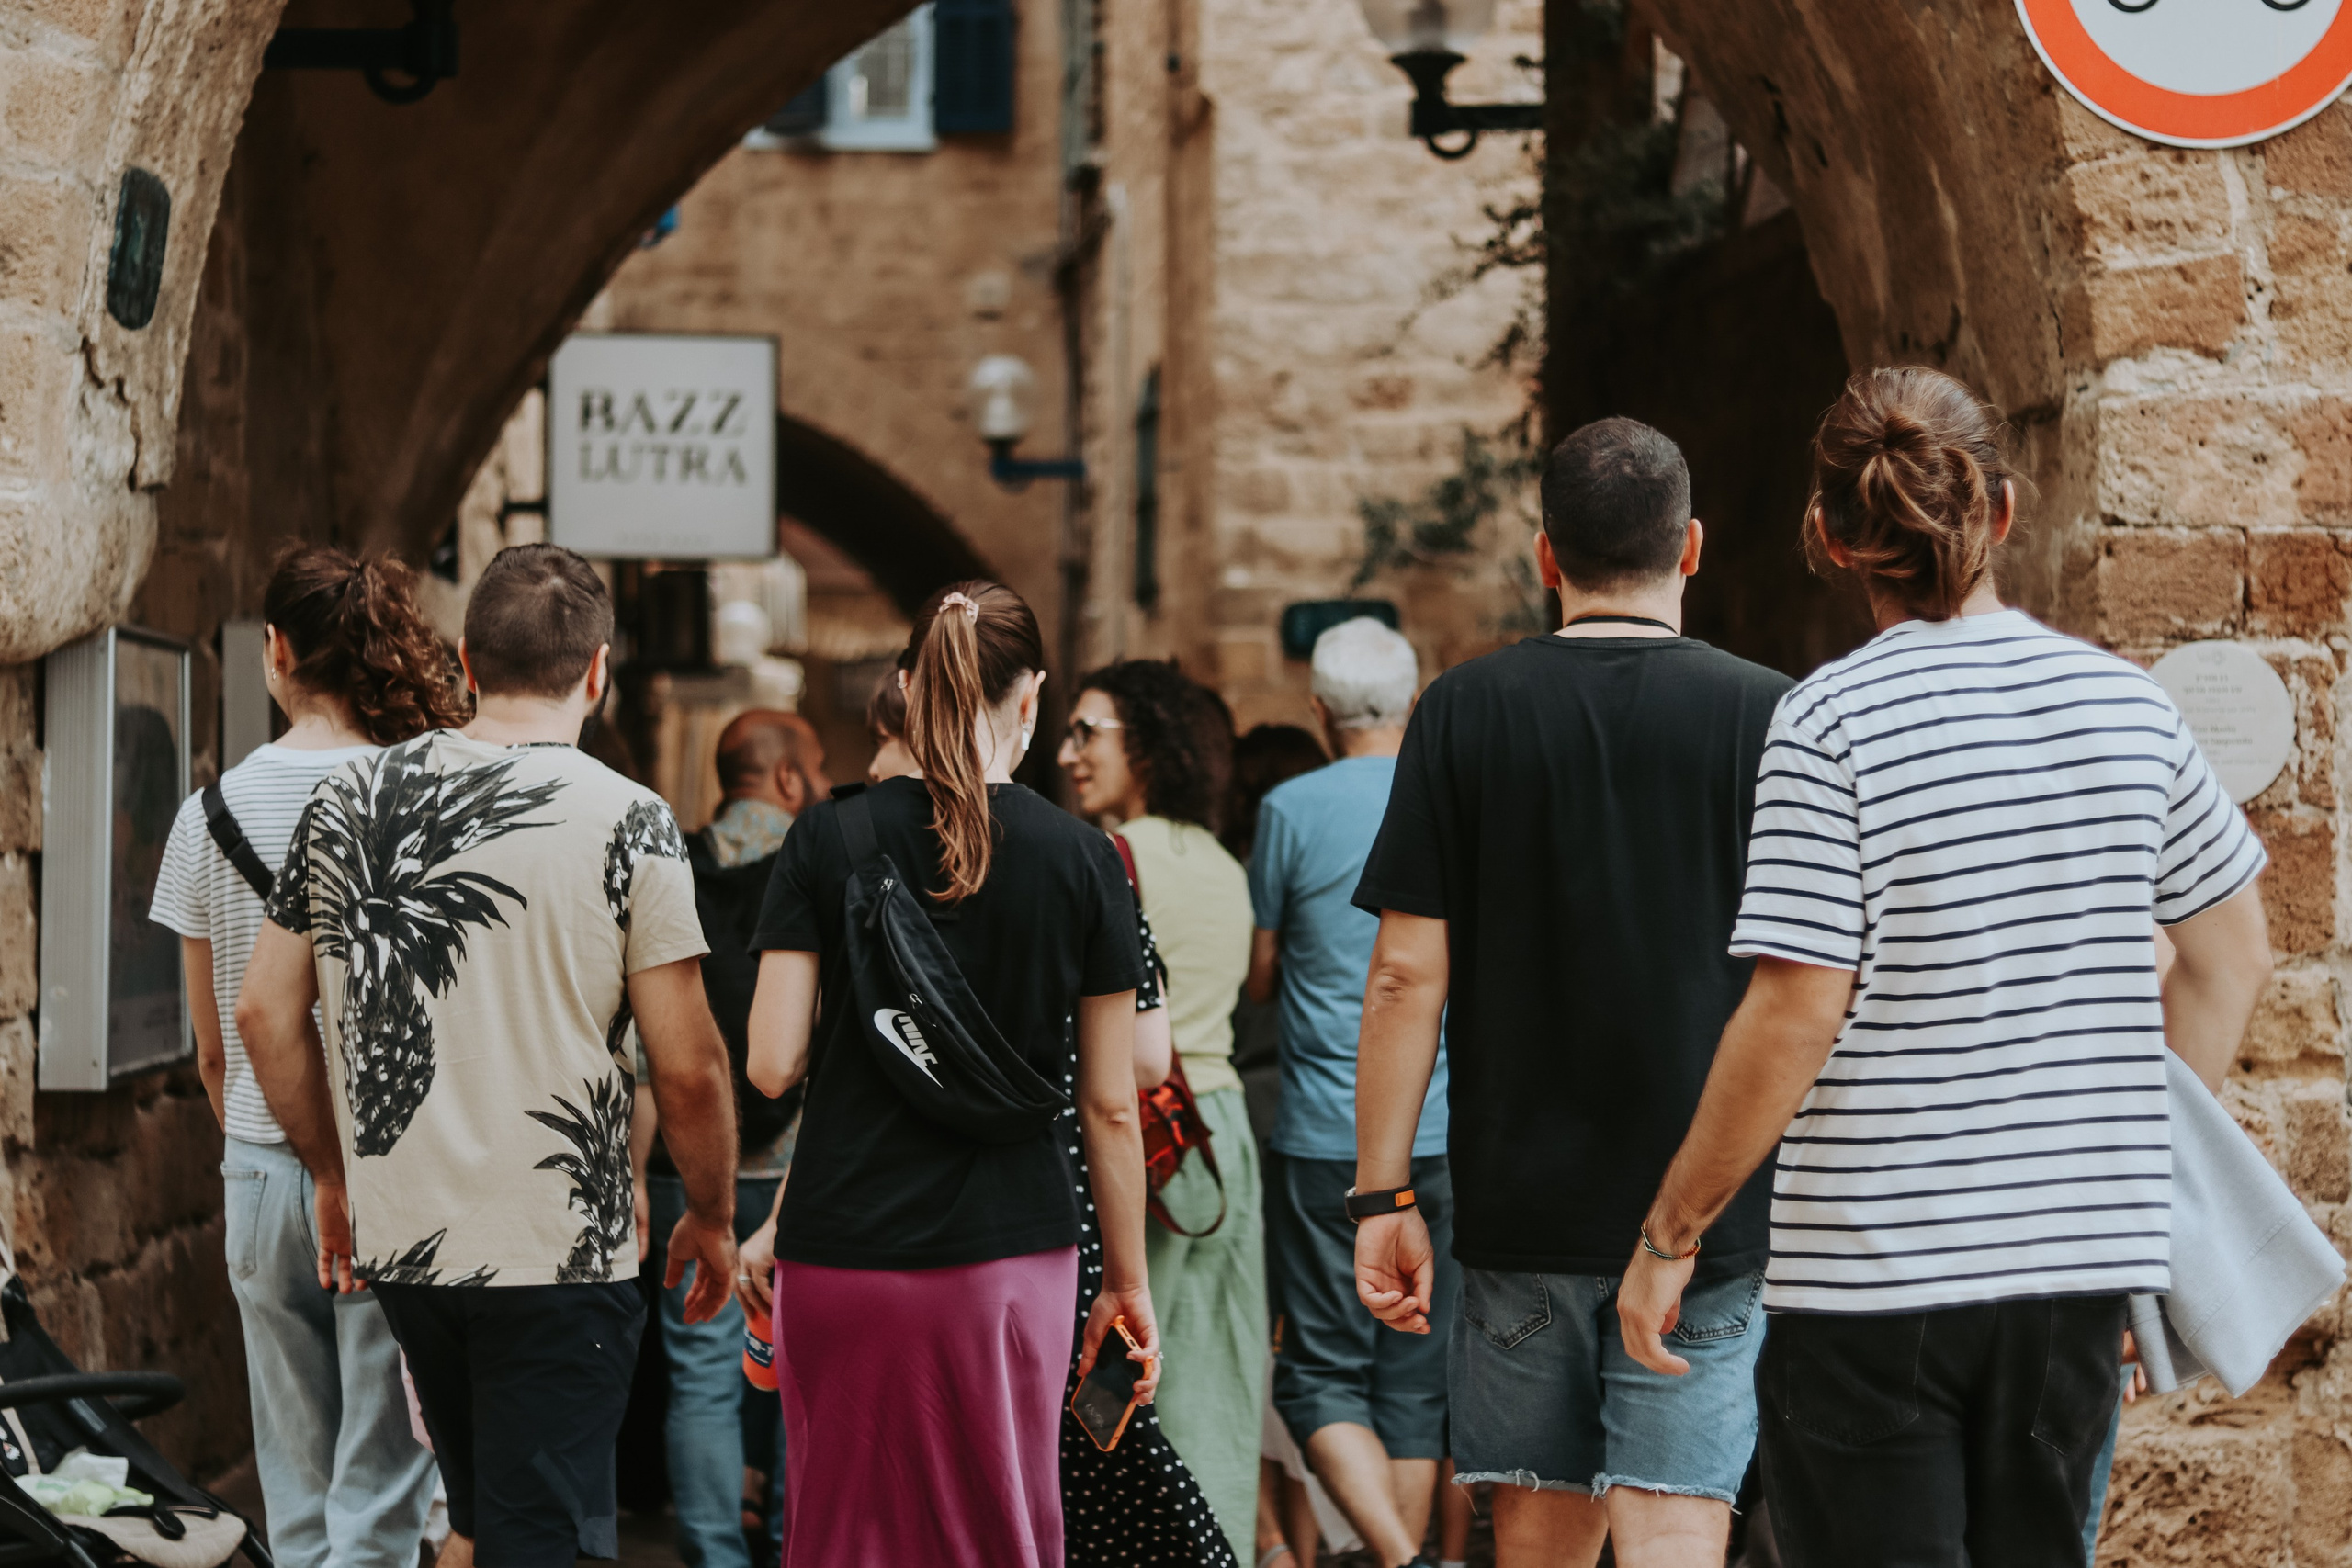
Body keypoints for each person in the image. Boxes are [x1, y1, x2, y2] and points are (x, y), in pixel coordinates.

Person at [1615, 367, 2275, 1567]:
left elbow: (1796, 1007)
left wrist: (1671, 1233)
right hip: (2075, 1269)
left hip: (1874, 1273)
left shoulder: (1830, 723)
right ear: (2005, 511)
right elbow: (2228, 960)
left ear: (1826, 535)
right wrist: (2140, 1195)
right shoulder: (2129, 709)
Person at [238, 543, 742, 1568]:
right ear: (598, 670)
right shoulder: (631, 822)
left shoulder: (347, 803)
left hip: (410, 1245)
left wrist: (333, 1173)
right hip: (557, 1250)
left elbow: (261, 1014)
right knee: (538, 1539)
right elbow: (686, 1065)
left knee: (472, 1523)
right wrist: (714, 1211)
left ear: (466, 661)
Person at [1352, 418, 1793, 1567]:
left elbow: (1404, 976)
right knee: (1676, 1528)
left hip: (1519, 1207)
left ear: (1545, 557)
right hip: (1706, 1216)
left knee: (1538, 1542)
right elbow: (1810, 983)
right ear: (1691, 547)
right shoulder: (1771, 716)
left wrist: (1380, 1196)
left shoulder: (1461, 711)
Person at [739, 581, 1160, 1568]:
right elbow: (1108, 1101)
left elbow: (769, 1065)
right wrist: (1126, 1285)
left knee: (842, 1538)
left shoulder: (826, 839)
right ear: (1031, 700)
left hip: (842, 1250)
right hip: (1009, 1261)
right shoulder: (1087, 860)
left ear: (906, 688)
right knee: (995, 1536)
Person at [149, 546, 462, 1568]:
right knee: (382, 1481)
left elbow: (211, 1042)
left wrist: (257, 1139)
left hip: (255, 1160)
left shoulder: (207, 817)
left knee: (293, 1475)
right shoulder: (416, 798)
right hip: (387, 1168)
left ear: (275, 652)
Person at [1250, 618, 1456, 1568]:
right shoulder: (1451, 796)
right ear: (1412, 700)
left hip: (1326, 1132)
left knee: (1321, 1373)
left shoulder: (1288, 810)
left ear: (1319, 712)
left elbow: (1260, 974)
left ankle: (1401, 1565)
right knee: (1415, 1376)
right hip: (1444, 1126)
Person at [1060, 659, 1263, 1565]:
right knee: (1221, 1375)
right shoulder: (1223, 862)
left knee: (1137, 1377)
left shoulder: (1111, 859)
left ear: (1147, 740)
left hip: (1146, 1139)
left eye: (1086, 733)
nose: (1067, 755)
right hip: (1221, 1135)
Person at [633, 710, 831, 1568]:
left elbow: (647, 1029)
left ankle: (714, 1553)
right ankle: (795, 1543)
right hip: (799, 1165)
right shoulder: (822, 857)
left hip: (690, 1153)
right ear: (789, 778)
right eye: (816, 767)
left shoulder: (671, 858)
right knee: (798, 1363)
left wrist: (643, 1168)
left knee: (701, 1369)